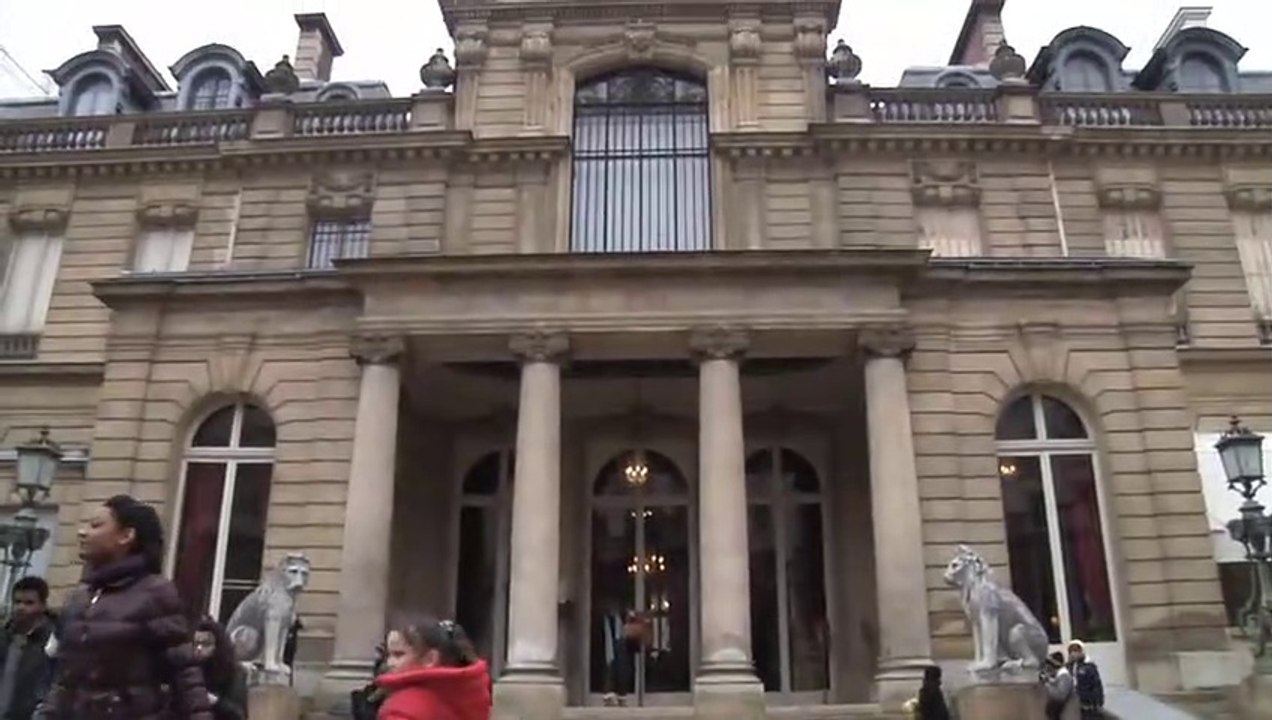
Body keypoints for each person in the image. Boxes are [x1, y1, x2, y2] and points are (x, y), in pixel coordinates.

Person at [39, 494, 213, 720]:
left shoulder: (155, 593)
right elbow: (64, 682)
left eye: (96, 525)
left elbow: (185, 676)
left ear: (126, 536)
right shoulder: (78, 598)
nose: (83, 532)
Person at [374, 617, 491, 720]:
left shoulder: (404, 707)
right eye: (388, 655)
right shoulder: (471, 697)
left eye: (399, 654)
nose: (390, 663)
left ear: (430, 659)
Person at [0, 576, 57, 719]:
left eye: (29, 603)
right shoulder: (5, 636)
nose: (21, 607)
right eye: (17, 602)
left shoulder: (52, 641)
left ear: (43, 605)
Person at [192, 617, 248, 720]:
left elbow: (238, 714)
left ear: (217, 646)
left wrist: (215, 702)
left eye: (205, 644)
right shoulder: (190, 669)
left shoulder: (233, 673)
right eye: (196, 644)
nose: (199, 649)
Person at [1066, 639, 1104, 718]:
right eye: (1071, 651)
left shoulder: (1089, 667)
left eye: (1076, 651)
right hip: (1072, 703)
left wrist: (1098, 702)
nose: (1073, 654)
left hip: (1086, 703)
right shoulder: (1069, 666)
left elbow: (1096, 684)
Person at [1043, 651, 1077, 720]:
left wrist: (1047, 685)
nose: (1048, 667)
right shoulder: (1060, 675)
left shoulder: (1064, 676)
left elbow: (1060, 695)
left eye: (1050, 664)